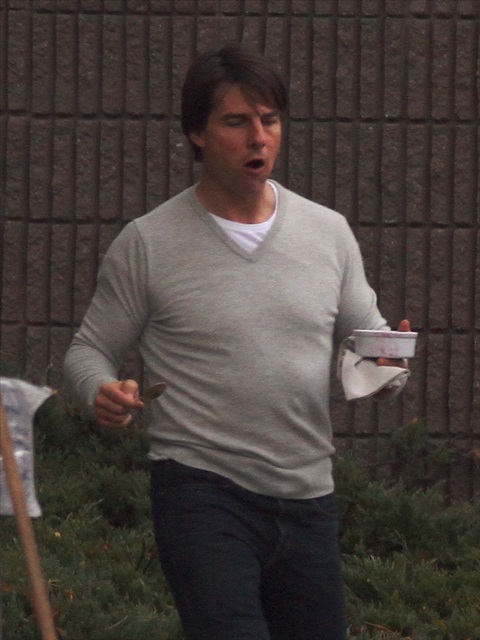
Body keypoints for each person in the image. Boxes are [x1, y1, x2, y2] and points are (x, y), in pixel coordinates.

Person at [63, 43, 411, 640]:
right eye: (236, 121)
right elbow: (86, 351)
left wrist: (388, 364)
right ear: (197, 133)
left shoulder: (328, 233)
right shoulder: (148, 242)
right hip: (201, 492)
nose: (258, 137)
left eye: (269, 120)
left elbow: (373, 350)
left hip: (309, 493)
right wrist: (101, 390)